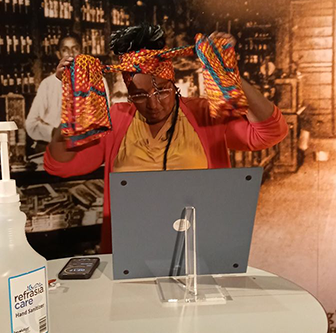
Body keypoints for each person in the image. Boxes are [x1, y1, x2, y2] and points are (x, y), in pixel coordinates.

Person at [44, 24, 288, 253]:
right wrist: (69, 94)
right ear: (128, 93)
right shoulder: (117, 119)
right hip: (130, 250)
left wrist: (228, 73)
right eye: (139, 95)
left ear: (174, 83)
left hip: (198, 250)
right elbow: (61, 163)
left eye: (162, 90)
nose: (153, 104)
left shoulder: (203, 115)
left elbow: (269, 132)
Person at [25, 33, 110, 143]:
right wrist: (54, 133)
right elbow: (31, 124)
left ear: (82, 52)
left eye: (75, 48)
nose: (71, 54)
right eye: (65, 50)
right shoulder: (47, 84)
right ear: (58, 54)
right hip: (53, 145)